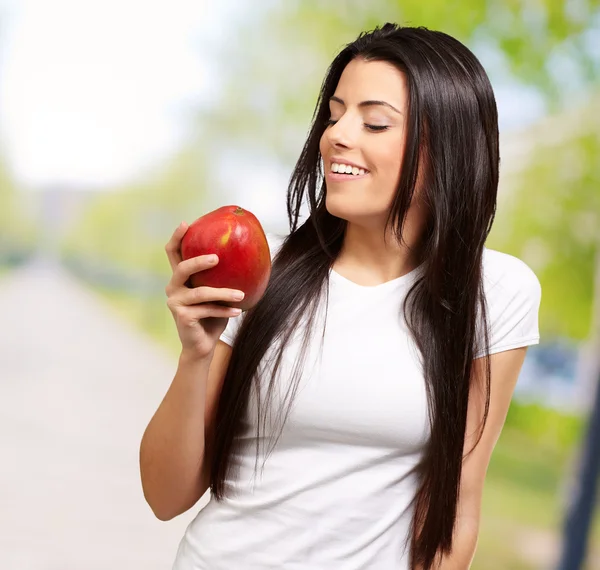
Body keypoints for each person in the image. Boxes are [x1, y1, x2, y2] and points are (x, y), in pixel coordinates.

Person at [140, 23, 542, 570]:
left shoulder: (496, 292)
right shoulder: (266, 271)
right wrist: (195, 355)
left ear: (446, 147)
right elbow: (165, 497)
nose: (336, 136)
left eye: (374, 121)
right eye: (334, 114)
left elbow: (456, 503)